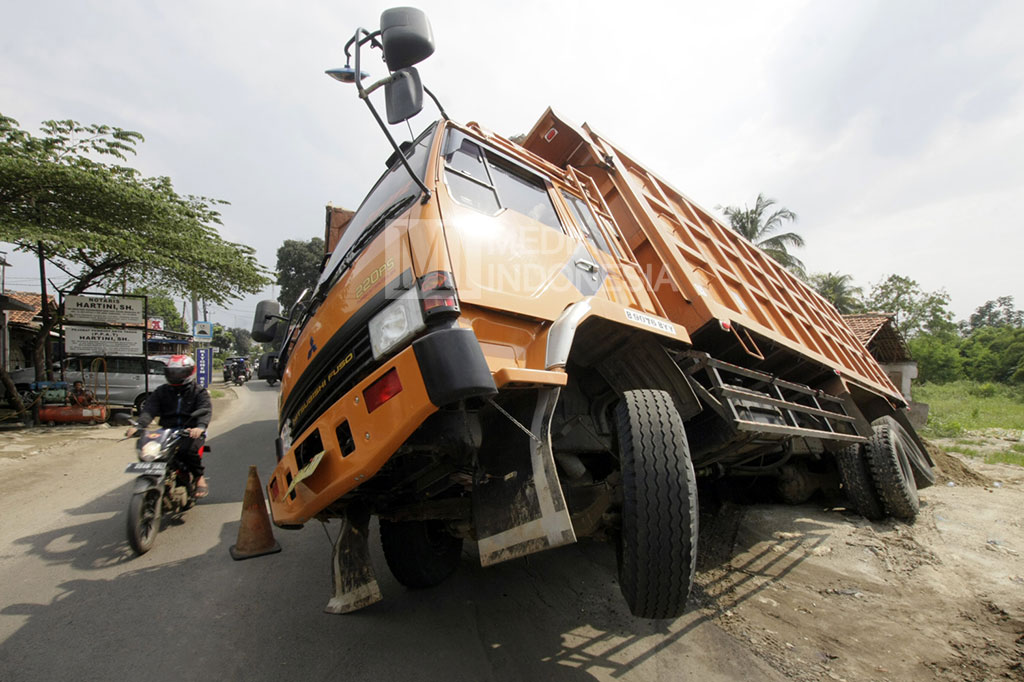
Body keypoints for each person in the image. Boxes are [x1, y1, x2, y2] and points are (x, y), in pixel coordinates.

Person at [125, 355, 212, 498]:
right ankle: (159, 477)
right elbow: (149, 409)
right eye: (172, 372)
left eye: (180, 373)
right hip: (167, 430)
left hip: (190, 430)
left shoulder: (198, 391)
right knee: (150, 450)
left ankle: (198, 477)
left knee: (187, 450)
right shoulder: (161, 391)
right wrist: (139, 425)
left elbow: (205, 409)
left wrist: (200, 427)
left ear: (190, 372)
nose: (175, 376)